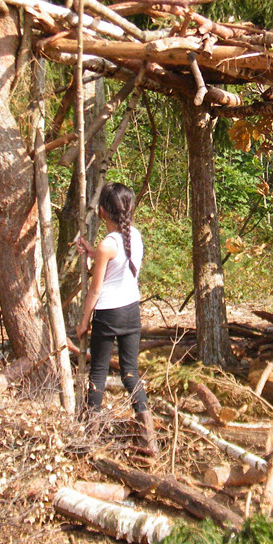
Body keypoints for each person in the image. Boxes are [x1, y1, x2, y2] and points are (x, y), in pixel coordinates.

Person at [76, 182, 158, 456]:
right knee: (130, 373)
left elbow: (96, 289)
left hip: (108, 312)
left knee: (98, 371)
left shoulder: (106, 245)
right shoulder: (134, 236)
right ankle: (150, 438)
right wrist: (92, 254)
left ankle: (89, 435)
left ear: (102, 212)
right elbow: (118, 265)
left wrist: (83, 320)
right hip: (131, 310)